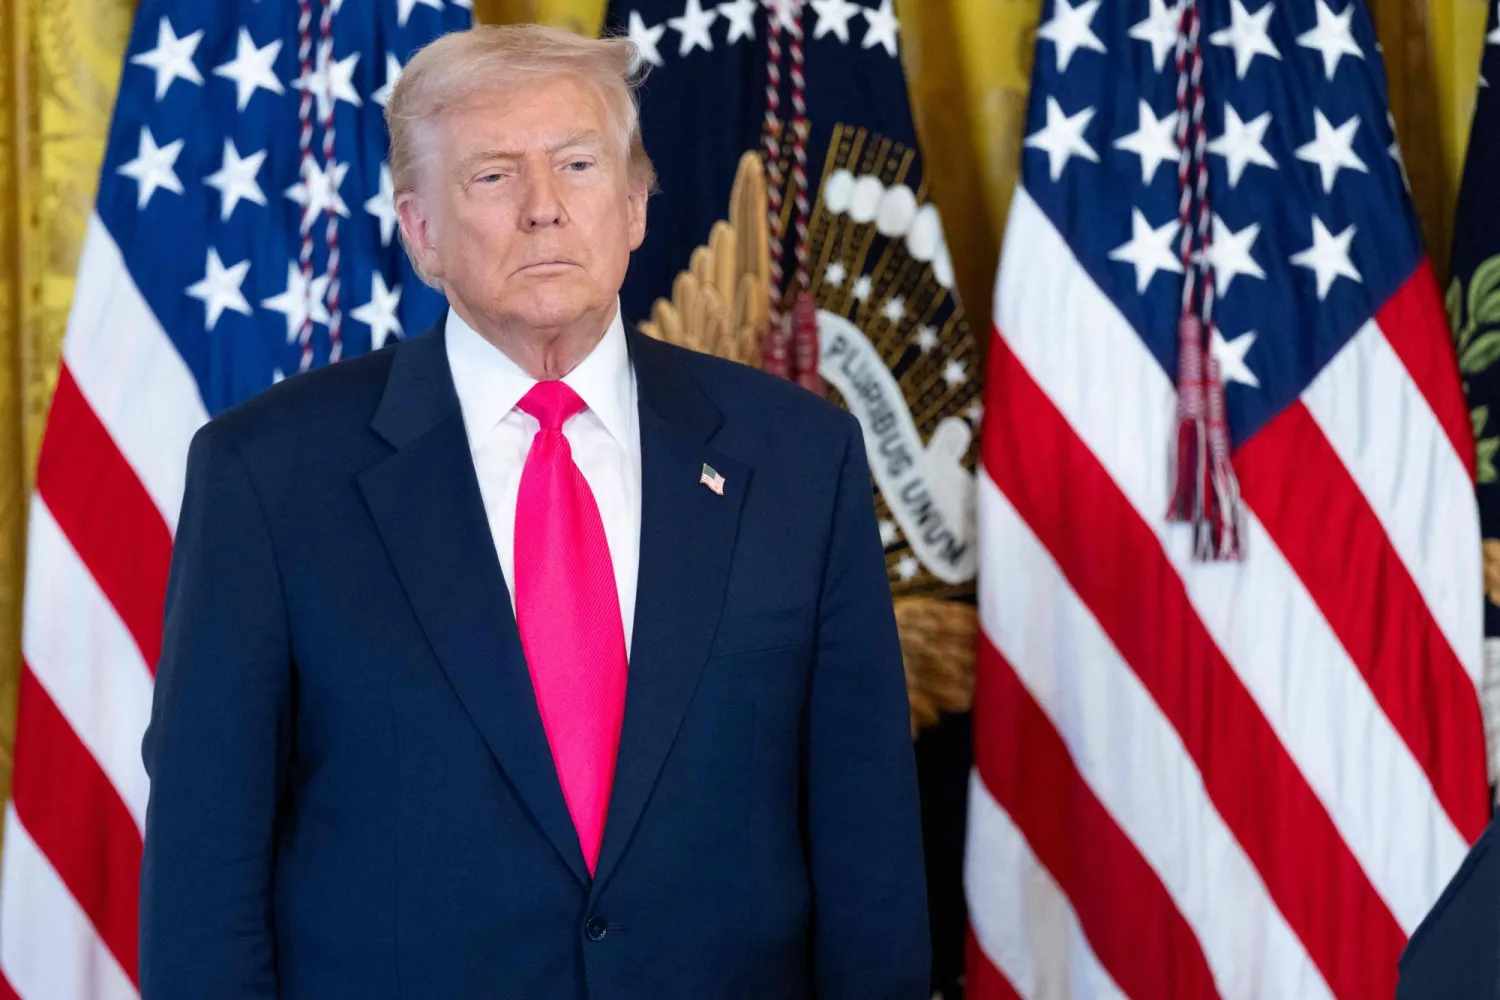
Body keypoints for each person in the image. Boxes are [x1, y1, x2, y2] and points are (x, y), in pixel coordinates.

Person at [138, 23, 929, 1000]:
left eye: (578, 164)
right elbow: (203, 872)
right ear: (420, 227)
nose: (545, 209)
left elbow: (868, 841)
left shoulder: (801, 458)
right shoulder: (266, 476)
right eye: (494, 177)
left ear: (636, 204)